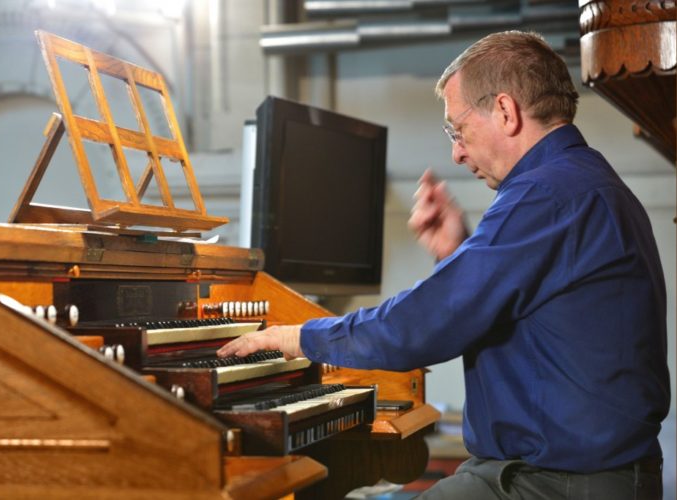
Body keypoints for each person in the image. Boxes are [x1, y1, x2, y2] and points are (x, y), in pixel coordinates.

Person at [218, 31, 670, 499]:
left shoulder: (548, 195)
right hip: (546, 473)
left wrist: (297, 336)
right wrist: (457, 254)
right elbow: (518, 310)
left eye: (458, 129)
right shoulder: (577, 183)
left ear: (505, 111)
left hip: (558, 486)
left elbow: (425, 323)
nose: (456, 151)